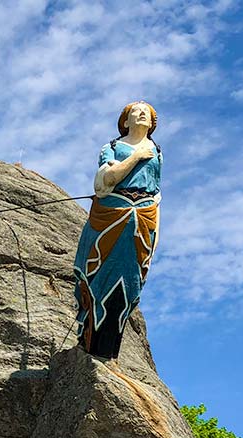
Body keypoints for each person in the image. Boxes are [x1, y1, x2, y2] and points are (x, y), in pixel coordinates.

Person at [73, 101, 162, 360]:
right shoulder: (112, 147)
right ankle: (91, 336)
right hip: (111, 211)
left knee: (131, 280)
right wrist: (135, 157)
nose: (143, 113)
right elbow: (104, 181)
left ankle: (110, 344)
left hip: (144, 216)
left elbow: (157, 193)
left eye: (148, 111)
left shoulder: (157, 151)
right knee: (100, 271)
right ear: (125, 121)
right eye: (136, 110)